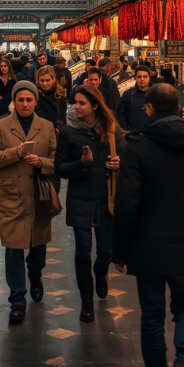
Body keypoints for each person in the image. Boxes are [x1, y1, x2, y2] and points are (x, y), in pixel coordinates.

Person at [113, 83, 184, 367]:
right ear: (179, 109)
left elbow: (126, 204)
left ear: (148, 109)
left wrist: (119, 250)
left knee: (152, 317)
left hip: (147, 248)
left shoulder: (137, 148)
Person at [0, 81, 57, 325]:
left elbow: (57, 159)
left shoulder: (46, 127)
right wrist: (14, 153)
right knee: (13, 248)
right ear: (14, 101)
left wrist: (42, 163)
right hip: (12, 196)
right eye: (20, 100)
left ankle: (35, 275)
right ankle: (17, 299)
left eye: (29, 100)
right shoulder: (1, 126)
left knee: (38, 247)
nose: (25, 104)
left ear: (35, 101)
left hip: (38, 195)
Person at [55, 85, 124, 322]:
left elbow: (127, 157)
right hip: (81, 199)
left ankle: (101, 270)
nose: (76, 107)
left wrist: (119, 162)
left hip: (107, 201)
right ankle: (86, 301)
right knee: (83, 250)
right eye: (75, 102)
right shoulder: (68, 132)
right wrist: (81, 164)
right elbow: (60, 167)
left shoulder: (111, 129)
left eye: (82, 103)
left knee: (105, 251)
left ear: (95, 105)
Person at [116, 66, 152, 134]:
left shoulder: (157, 94)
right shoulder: (128, 94)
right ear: (135, 78)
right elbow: (120, 114)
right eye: (139, 77)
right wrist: (128, 131)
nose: (142, 79)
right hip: (133, 135)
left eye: (145, 76)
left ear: (149, 77)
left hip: (152, 135)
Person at [34, 65, 67, 130]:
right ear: (38, 80)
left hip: (54, 130)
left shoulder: (60, 96)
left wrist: (59, 126)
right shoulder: (35, 95)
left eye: (47, 80)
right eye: (42, 80)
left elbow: (63, 116)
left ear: (53, 80)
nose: (45, 83)